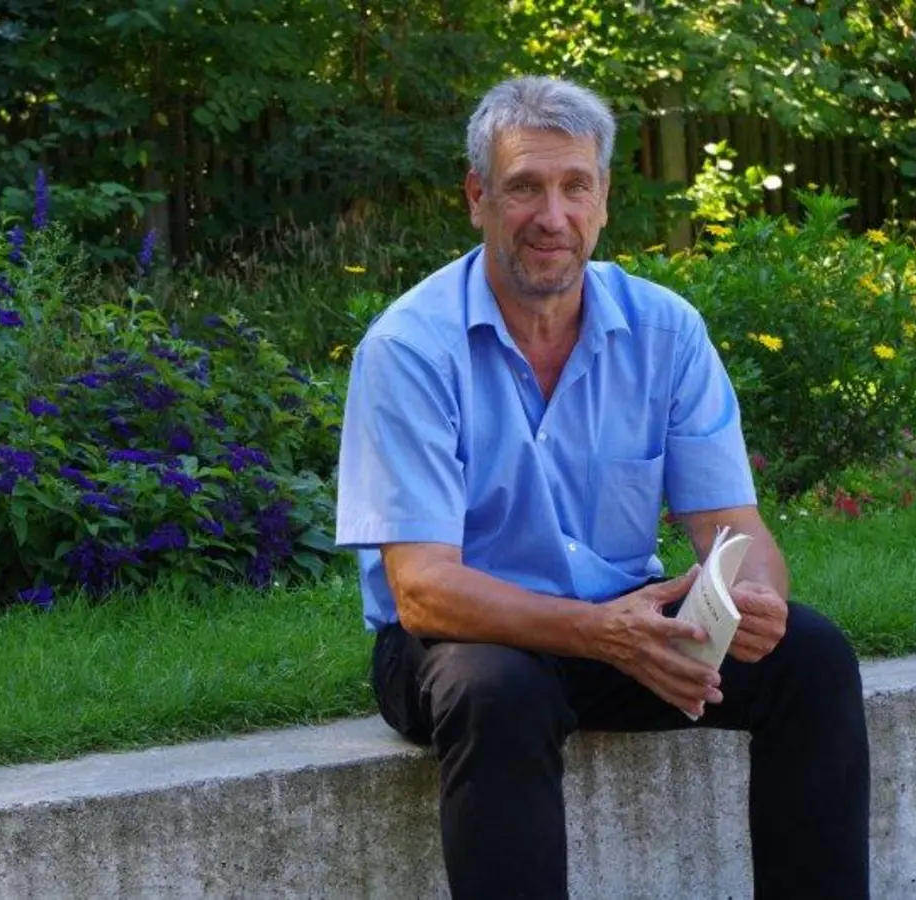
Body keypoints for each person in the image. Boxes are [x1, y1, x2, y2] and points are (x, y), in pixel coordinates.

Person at [333, 75, 870, 899]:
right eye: (524, 188)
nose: (553, 216)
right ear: (478, 197)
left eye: (574, 186)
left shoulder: (665, 330)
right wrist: (602, 633)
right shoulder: (409, 348)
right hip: (462, 643)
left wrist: (751, 601)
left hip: (624, 626)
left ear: (605, 197)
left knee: (813, 656)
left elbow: (733, 523)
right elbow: (425, 592)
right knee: (498, 692)